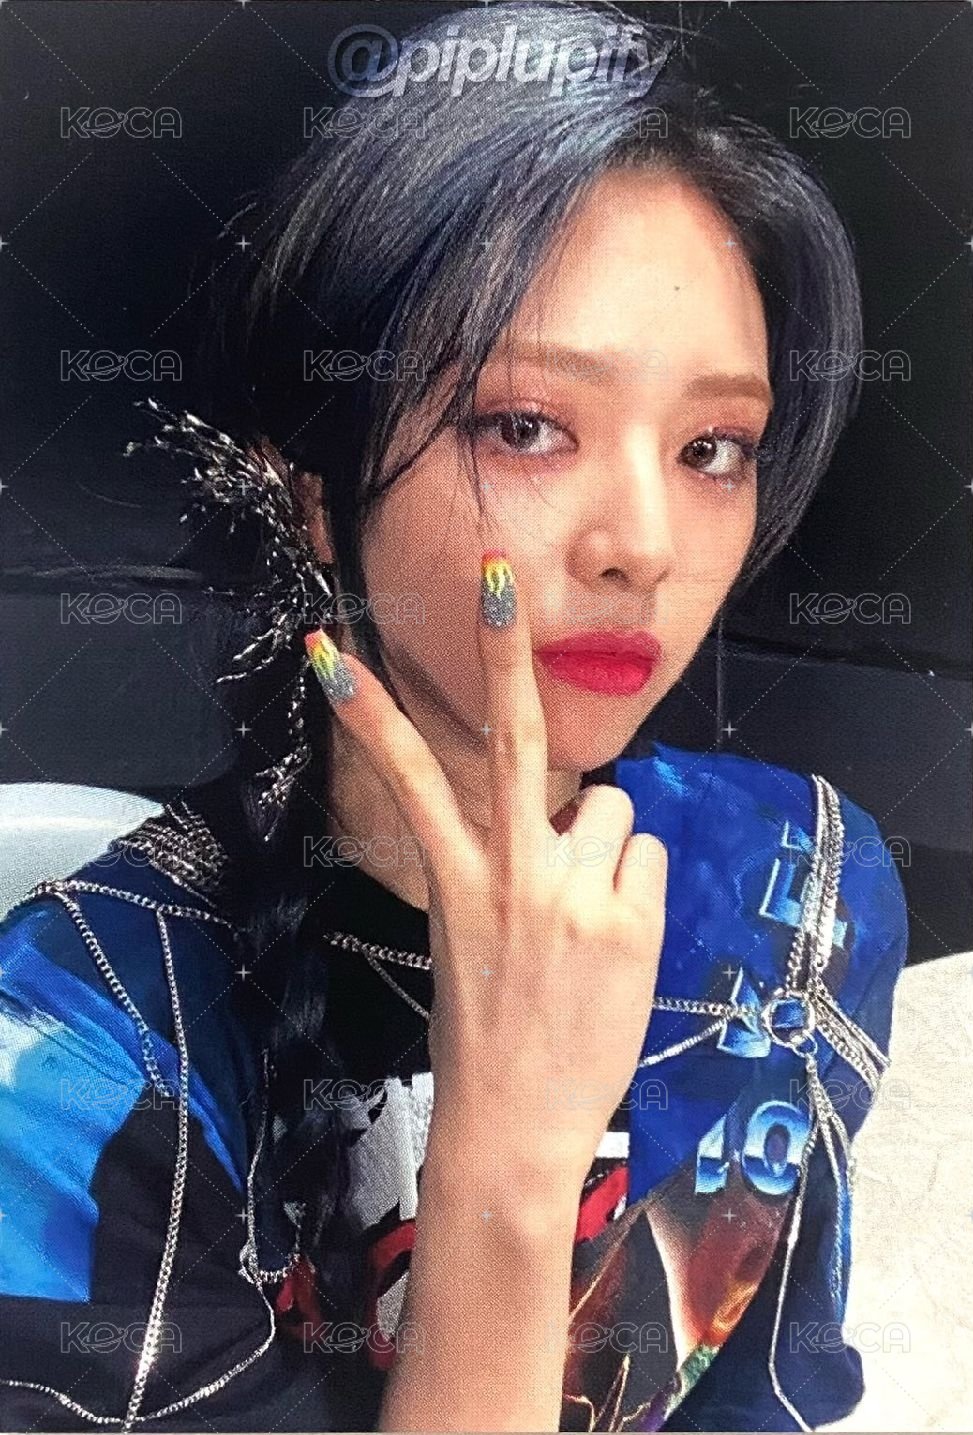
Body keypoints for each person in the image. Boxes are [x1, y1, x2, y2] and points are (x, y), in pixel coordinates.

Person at [0, 2, 909, 1430]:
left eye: (711, 447)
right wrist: (503, 1177)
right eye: (525, 427)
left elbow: (759, 1391)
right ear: (312, 492)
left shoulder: (799, 886)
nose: (642, 545)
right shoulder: (79, 1057)